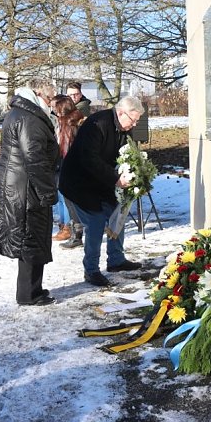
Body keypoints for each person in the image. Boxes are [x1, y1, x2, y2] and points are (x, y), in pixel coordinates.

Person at [0, 79, 59, 306]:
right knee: (30, 237)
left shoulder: (22, 113)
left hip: (22, 184)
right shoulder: (28, 117)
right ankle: (29, 294)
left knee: (30, 237)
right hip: (26, 187)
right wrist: (47, 191)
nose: (51, 103)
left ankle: (32, 290)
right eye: (49, 98)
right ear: (37, 94)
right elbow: (34, 158)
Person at [59, 96, 145, 286]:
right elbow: (89, 159)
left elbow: (126, 156)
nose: (135, 124)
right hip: (79, 183)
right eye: (133, 120)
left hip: (102, 181)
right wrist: (116, 178)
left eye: (137, 120)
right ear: (121, 112)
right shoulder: (97, 124)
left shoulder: (125, 129)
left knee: (118, 212)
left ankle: (116, 260)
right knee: (96, 221)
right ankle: (91, 270)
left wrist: (137, 173)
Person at [50, 94, 84, 244]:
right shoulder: (68, 122)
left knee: (71, 201)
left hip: (71, 167)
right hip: (67, 166)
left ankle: (76, 233)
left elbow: (69, 148)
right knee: (68, 200)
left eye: (55, 108)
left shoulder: (70, 124)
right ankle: (74, 231)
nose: (53, 112)